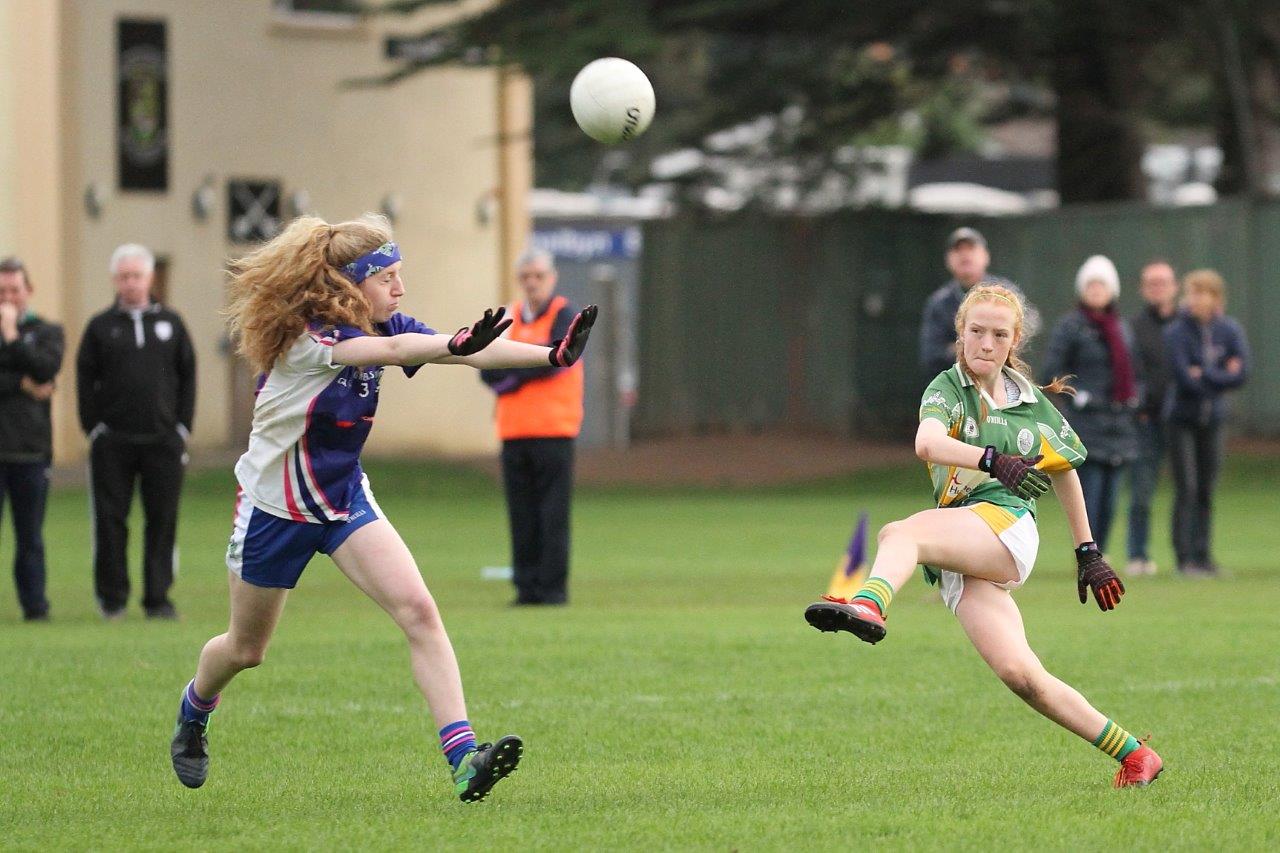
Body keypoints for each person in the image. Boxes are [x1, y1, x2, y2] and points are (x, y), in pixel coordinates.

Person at [169, 214, 597, 803]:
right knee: (247, 651)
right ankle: (195, 709)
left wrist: (552, 355)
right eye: (388, 278)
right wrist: (451, 342)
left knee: (419, 611)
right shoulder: (314, 338)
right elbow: (397, 349)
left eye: (400, 276)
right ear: (350, 285)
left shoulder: (384, 320)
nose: (399, 289)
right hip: (277, 510)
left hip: (343, 497)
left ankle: (464, 759)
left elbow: (465, 353)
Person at [805, 283, 1163, 789]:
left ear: (1014, 340)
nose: (986, 344)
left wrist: (1088, 552)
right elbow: (927, 442)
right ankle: (1134, 753)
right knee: (1023, 677)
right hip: (966, 543)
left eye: (999, 334)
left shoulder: (1029, 403)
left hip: (1007, 527)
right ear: (961, 333)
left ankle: (868, 603)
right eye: (976, 331)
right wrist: (992, 458)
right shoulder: (946, 389)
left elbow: (1065, 471)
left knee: (899, 533)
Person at [76, 244, 196, 620]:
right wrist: (94, 428)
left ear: (149, 278)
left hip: (163, 441)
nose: (131, 283)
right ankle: (112, 600)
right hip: (113, 442)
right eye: (124, 276)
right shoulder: (100, 327)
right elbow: (84, 379)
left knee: (162, 519)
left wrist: (181, 427)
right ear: (115, 280)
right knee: (111, 521)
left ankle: (158, 599)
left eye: (137, 276)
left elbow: (188, 376)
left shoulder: (172, 324)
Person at [479, 248, 582, 606]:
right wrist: (519, 367)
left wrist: (512, 371)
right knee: (521, 515)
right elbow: (486, 366)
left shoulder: (564, 314)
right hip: (514, 430)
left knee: (552, 515)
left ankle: (552, 589)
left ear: (551, 278)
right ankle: (525, 587)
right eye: (526, 277)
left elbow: (554, 359)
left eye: (539, 276)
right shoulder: (509, 316)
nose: (532, 283)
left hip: (554, 429)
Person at [1040, 256, 1139, 557]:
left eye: (1102, 284)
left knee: (1110, 499)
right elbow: (1051, 374)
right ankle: (1088, 552)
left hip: (1118, 424)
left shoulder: (1122, 329)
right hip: (1085, 425)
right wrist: (1077, 397)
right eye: (1091, 284)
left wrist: (1135, 398)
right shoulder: (1070, 327)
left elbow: (1137, 373)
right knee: (1089, 495)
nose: (1096, 290)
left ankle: (1103, 552)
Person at [1163, 269, 1249, 576]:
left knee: (1206, 489)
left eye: (1203, 293)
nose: (1196, 299)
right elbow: (1186, 378)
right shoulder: (1176, 332)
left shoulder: (1229, 330)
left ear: (1216, 298)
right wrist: (1221, 373)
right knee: (1186, 486)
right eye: (1192, 292)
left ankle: (1204, 556)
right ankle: (1184, 559)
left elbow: (1242, 373)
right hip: (1181, 419)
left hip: (1213, 419)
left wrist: (1207, 373)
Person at [0, 257, 64, 622]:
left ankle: (35, 607)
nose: (8, 297)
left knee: (30, 538)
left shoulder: (47, 331)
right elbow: (32, 378)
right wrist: (20, 384)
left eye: (14, 290)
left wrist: (11, 337)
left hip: (31, 452)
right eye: (2, 291)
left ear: (28, 291)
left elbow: (45, 368)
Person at [918, 227, 1038, 379]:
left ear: (985, 256)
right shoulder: (939, 303)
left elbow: (1029, 330)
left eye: (971, 249)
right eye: (958, 250)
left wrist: (958, 347)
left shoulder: (1007, 293)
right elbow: (932, 356)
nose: (965, 255)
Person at [1125, 260, 1178, 576]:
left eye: (1163, 282)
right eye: (1151, 283)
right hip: (1147, 421)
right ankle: (1138, 555)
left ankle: (1188, 556)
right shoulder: (1133, 328)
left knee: (1189, 491)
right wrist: (1139, 406)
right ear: (1143, 289)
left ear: (1175, 286)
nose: (1157, 288)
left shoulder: (1185, 325)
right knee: (1142, 492)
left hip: (1182, 420)